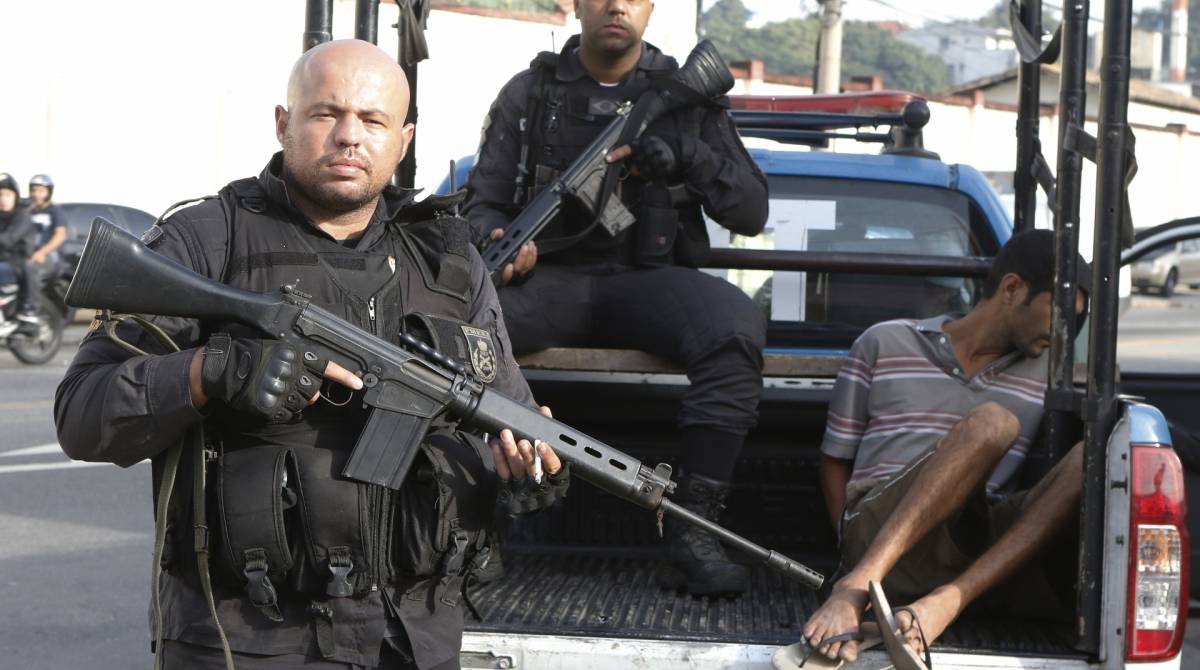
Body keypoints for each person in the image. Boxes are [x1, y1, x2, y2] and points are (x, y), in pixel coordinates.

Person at [55, 40, 570, 670]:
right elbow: (82, 414)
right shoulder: (207, 240)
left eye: (374, 120)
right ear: (283, 122)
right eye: (327, 113)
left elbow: (512, 414)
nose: (350, 137)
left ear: (403, 140)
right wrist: (211, 372)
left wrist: (526, 463)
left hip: (412, 639)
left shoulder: (450, 261)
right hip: (246, 637)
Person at [464, 0, 769, 597]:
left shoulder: (684, 97)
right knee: (458, 335)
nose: (616, 5)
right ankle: (467, 524)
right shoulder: (531, 93)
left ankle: (695, 526)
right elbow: (484, 198)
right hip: (546, 281)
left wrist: (689, 157)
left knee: (734, 324)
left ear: (652, 8)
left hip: (646, 282)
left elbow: (751, 211)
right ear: (574, 5)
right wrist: (498, 239)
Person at [801, 229, 1091, 665]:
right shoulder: (884, 342)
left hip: (968, 548)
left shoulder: (1048, 373)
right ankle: (857, 586)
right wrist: (849, 546)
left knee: (1096, 456)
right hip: (879, 532)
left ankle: (947, 602)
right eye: (1060, 313)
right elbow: (834, 460)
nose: (1068, 332)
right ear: (1012, 289)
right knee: (993, 422)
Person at [23, 173, 66, 321]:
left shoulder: (55, 211)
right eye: (34, 191)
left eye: (41, 191)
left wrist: (42, 252)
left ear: (48, 192)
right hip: (28, 253)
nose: (37, 194)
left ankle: (32, 309)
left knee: (29, 267)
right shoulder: (28, 210)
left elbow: (60, 235)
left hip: (49, 256)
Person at [0, 173, 38, 323]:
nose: (3, 199)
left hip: (17, 261)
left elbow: (8, 239)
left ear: (15, 196)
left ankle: (29, 308)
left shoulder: (22, 214)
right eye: (0, 195)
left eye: (7, 195)